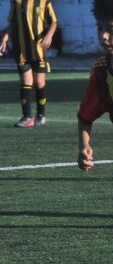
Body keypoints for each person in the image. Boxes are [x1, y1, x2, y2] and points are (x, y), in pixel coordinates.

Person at [0, 0, 58, 128]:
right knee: (26, 82)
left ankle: (41, 116)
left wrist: (49, 35)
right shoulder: (16, 2)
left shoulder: (44, 1)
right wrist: (4, 39)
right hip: (21, 50)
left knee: (39, 82)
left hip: (38, 49)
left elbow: (54, 21)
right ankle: (27, 117)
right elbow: (12, 23)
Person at [77, 0, 113, 172]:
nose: (104, 36)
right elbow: (86, 116)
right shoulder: (101, 70)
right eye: (100, 28)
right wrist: (84, 146)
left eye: (111, 29)